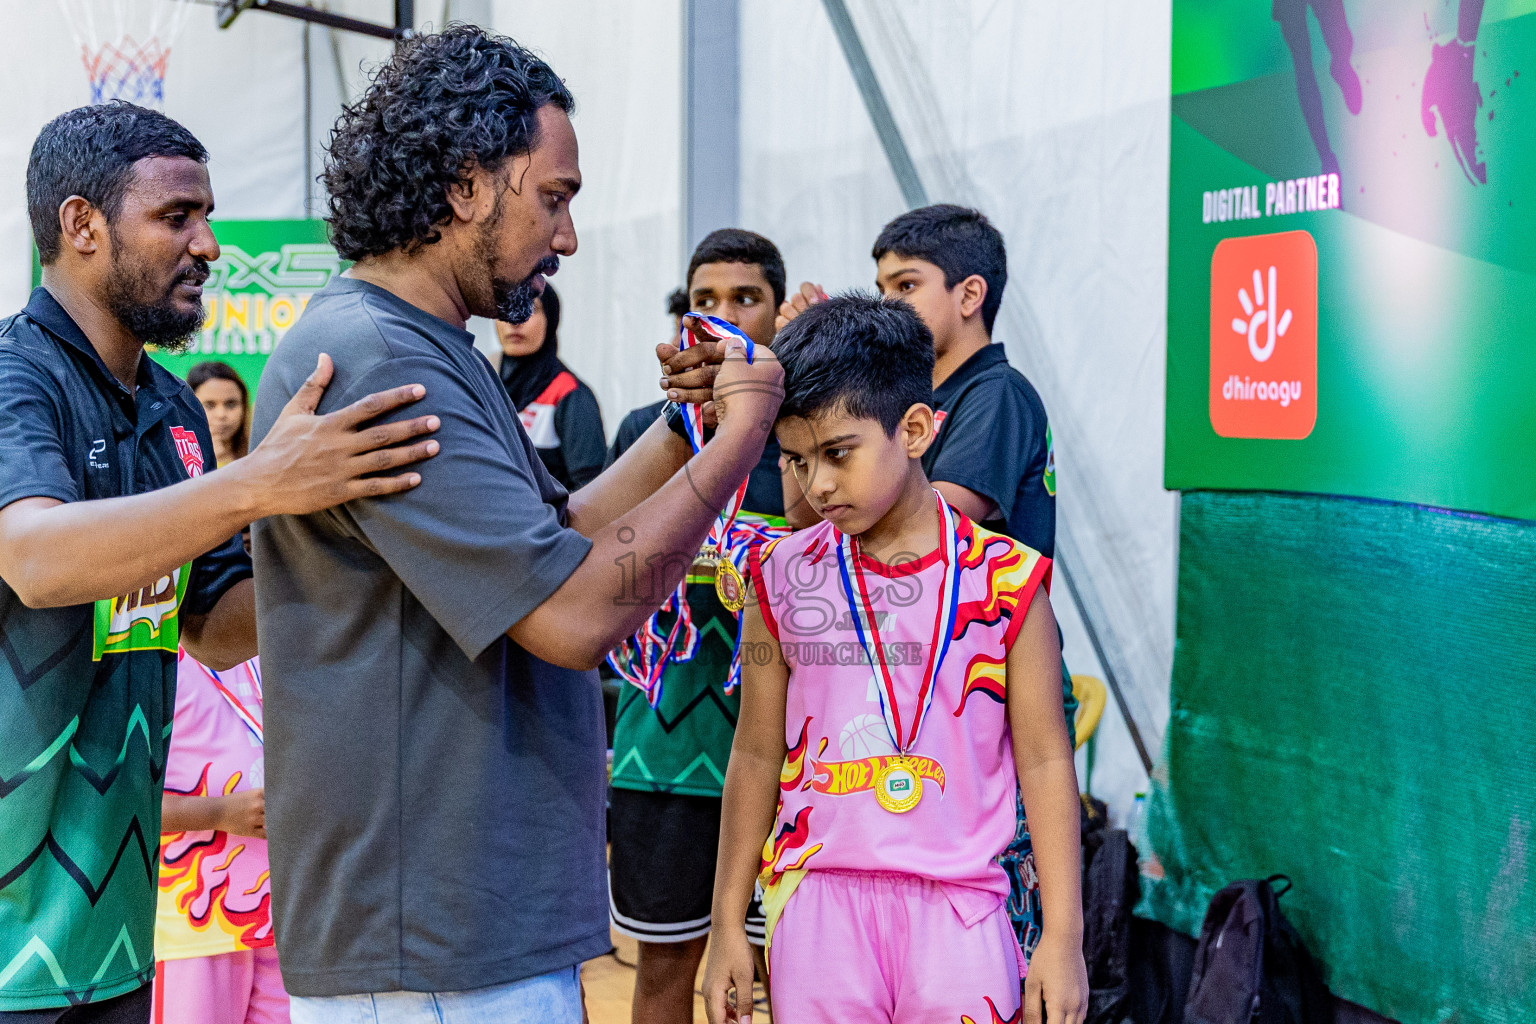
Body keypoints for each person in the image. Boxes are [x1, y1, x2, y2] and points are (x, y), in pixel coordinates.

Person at [247, 28, 782, 1024]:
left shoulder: (431, 345)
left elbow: (562, 528)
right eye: (555, 196)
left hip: (466, 935)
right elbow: (574, 613)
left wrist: (686, 430)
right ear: (463, 186)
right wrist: (741, 441)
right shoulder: (378, 359)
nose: (569, 237)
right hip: (434, 949)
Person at [0, 103, 437, 1022]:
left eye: (208, 217)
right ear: (81, 225)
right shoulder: (13, 377)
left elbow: (222, 630)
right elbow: (35, 559)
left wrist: (366, 540)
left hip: (113, 927)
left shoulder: (174, 413)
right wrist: (259, 486)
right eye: (177, 217)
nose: (208, 244)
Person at [703, 295, 1088, 1024]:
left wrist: (1063, 936)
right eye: (796, 459)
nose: (816, 485)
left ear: (914, 429)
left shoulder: (1008, 582)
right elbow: (754, 751)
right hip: (816, 904)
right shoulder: (777, 577)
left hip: (962, 909)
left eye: (837, 453)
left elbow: (1043, 759)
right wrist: (728, 921)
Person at [777, 203, 1074, 957]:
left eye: (905, 285)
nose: (889, 303)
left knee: (990, 917)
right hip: (901, 700)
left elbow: (929, 524)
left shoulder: (995, 394)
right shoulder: (909, 402)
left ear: (970, 295)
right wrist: (809, 384)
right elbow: (807, 517)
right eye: (878, 286)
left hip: (984, 696)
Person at [605, 229, 787, 1024]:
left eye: (744, 299)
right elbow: (606, 566)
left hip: (786, 753)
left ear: (779, 313)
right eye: (703, 301)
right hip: (662, 748)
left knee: (791, 970)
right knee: (665, 972)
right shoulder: (653, 430)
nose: (720, 317)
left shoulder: (806, 432)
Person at [496, 283, 606, 490]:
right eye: (506, 308)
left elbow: (591, 490)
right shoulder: (484, 383)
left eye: (529, 309)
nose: (515, 320)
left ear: (551, 319)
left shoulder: (571, 394)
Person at [187, 362, 249, 467]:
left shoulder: (259, 456)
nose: (221, 415)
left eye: (231, 404)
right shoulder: (170, 460)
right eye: (209, 405)